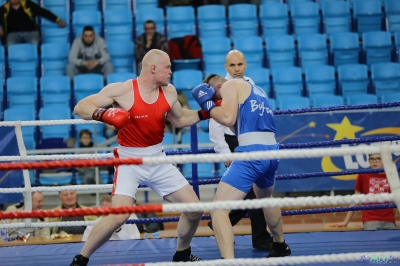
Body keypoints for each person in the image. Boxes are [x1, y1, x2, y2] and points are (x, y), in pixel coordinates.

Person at [70, 49, 207, 266]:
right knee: (119, 215)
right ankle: (81, 258)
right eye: (168, 67)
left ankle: (182, 253)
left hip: (157, 159)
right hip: (129, 160)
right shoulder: (123, 90)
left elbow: (179, 120)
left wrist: (204, 113)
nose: (171, 71)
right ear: (153, 68)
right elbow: (81, 107)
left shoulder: (169, 92)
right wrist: (104, 114)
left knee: (194, 209)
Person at [192, 74, 291, 259]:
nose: (218, 101)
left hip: (251, 152)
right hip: (271, 150)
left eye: (216, 97)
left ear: (219, 86)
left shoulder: (230, 85)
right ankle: (280, 245)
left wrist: (208, 105)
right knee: (266, 198)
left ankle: (229, 261)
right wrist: (218, 107)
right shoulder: (256, 90)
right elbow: (234, 126)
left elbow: (228, 119)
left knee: (219, 209)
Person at [207, 49, 273, 251]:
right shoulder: (222, 87)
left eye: (240, 64)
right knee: (253, 195)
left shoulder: (251, 83)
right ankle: (260, 238)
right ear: (226, 67)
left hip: (254, 141)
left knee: (252, 194)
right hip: (235, 142)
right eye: (232, 65)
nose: (237, 69)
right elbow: (217, 121)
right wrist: (225, 152)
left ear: (245, 65)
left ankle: (220, 222)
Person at [330, 153, 397, 230]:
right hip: (370, 220)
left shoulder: (391, 176)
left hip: (389, 220)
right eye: (372, 159)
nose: (375, 161)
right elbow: (356, 199)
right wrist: (346, 221)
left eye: (378, 158)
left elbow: (397, 200)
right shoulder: (363, 175)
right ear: (369, 161)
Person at [0, 0, 66, 46]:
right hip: (12, 34)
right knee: (10, 45)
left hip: (30, 32)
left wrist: (58, 20)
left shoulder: (28, 4)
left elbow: (44, 12)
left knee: (34, 44)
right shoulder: (3, 9)